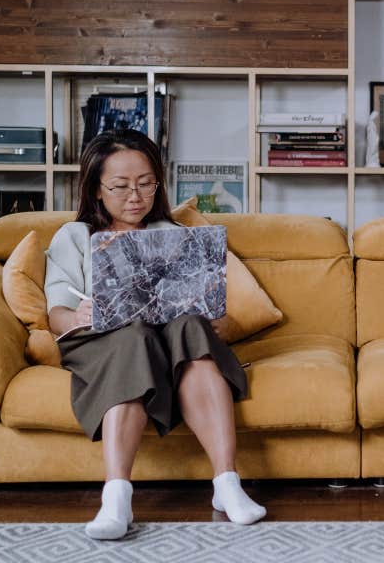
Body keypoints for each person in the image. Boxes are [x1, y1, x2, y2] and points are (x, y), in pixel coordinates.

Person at [45, 129, 266, 540]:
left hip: (170, 336)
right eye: (121, 186)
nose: (136, 196)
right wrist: (78, 314)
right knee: (133, 338)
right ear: (96, 189)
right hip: (102, 338)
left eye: (147, 184)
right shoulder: (73, 237)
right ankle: (117, 497)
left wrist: (215, 318)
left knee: (191, 327)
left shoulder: (173, 233)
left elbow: (205, 304)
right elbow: (55, 314)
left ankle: (226, 484)